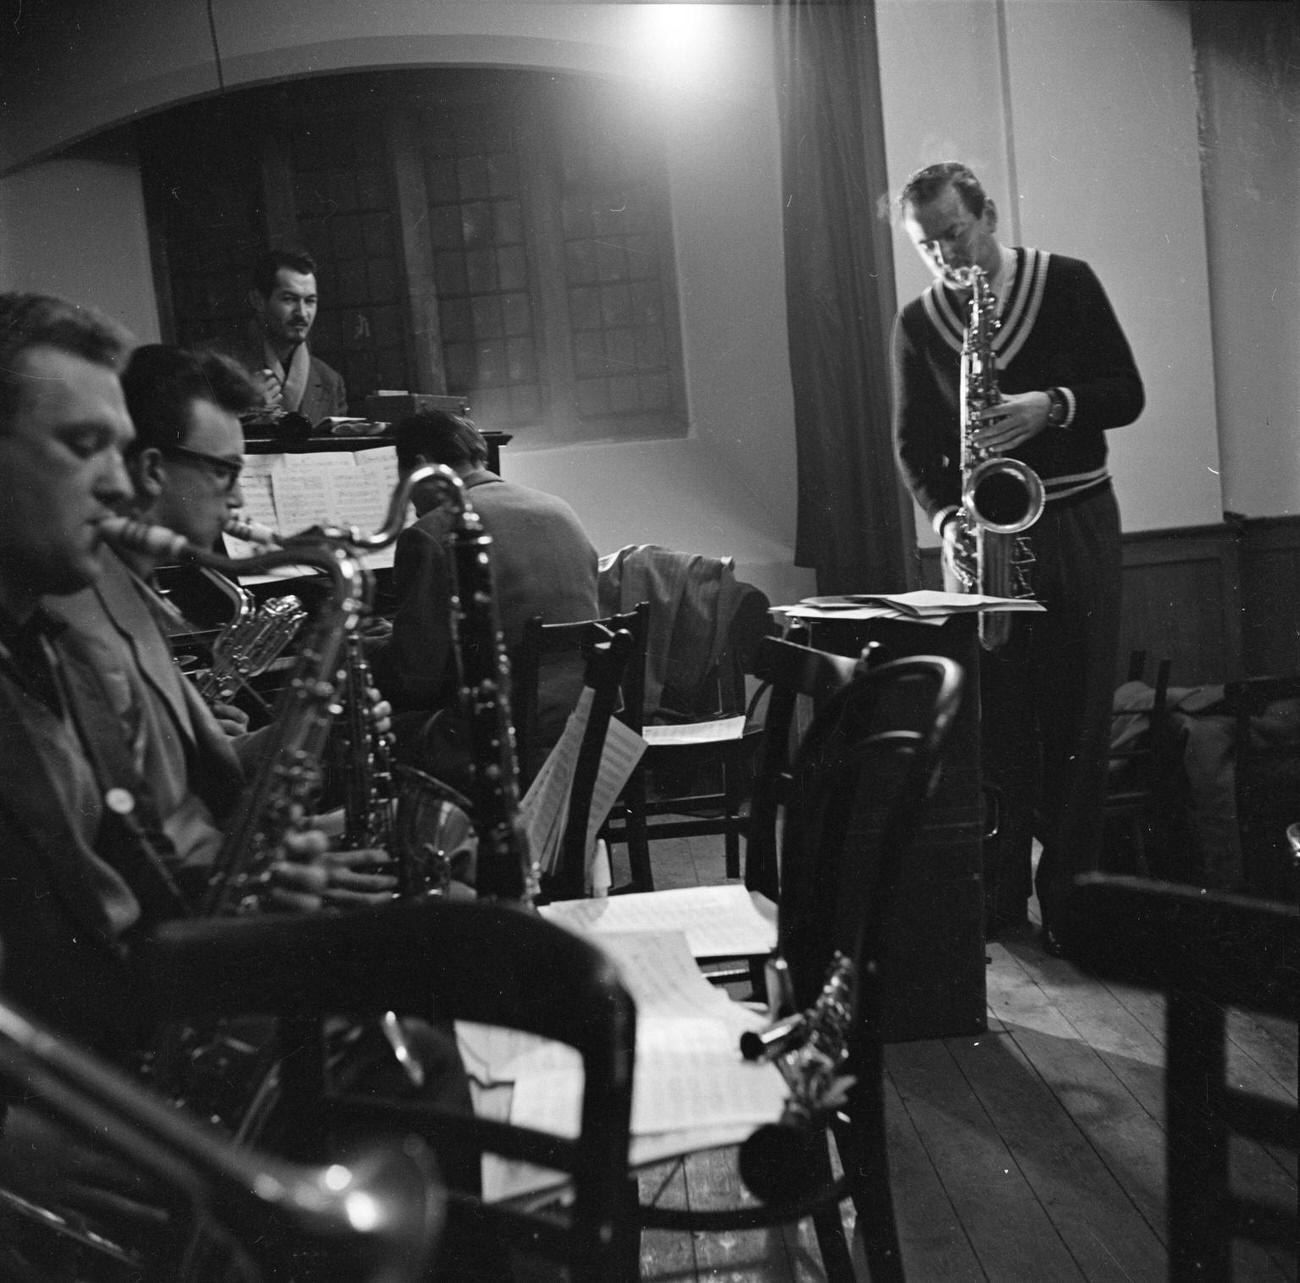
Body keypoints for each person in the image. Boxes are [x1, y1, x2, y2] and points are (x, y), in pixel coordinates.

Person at [0, 300, 479, 1279]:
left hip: (142, 1044)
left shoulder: (50, 638)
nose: (116, 482)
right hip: (68, 1107)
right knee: (410, 1074)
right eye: (82, 443)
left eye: (126, 449)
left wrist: (258, 881)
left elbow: (134, 855)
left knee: (414, 1043)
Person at [890, 162, 1144, 952]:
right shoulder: (920, 322)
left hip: (1076, 522)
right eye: (927, 246)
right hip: (988, 540)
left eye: (954, 235)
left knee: (1079, 721)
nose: (944, 257)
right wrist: (945, 515)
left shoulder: (1066, 282)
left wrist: (1050, 404)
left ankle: (1071, 905)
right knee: (998, 728)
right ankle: (999, 902)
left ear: (989, 214)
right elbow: (912, 445)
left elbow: (1128, 394)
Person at [372, 408, 599, 773]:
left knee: (351, 739)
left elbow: (415, 682)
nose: (410, 503)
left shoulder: (432, 532)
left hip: (493, 737)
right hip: (585, 718)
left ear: (421, 465)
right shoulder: (559, 509)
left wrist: (372, 648)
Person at [212, 247, 347, 424]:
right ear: (258, 301)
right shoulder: (215, 365)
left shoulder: (329, 381)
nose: (302, 313)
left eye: (310, 301)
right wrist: (245, 410)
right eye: (289, 299)